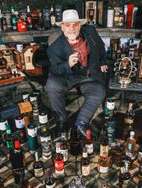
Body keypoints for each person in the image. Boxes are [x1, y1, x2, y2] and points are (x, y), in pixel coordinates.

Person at [45, 9, 108, 138]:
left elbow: (101, 47)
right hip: (68, 77)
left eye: (75, 25)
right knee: (51, 84)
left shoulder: (90, 32)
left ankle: (81, 123)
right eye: (68, 25)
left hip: (88, 76)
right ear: (62, 27)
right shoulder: (54, 48)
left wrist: (102, 61)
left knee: (99, 91)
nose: (72, 29)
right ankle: (61, 121)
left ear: (80, 25)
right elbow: (55, 70)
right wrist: (67, 64)